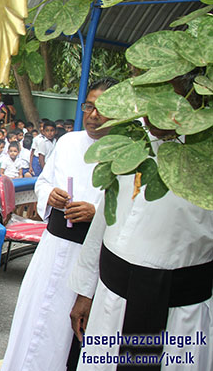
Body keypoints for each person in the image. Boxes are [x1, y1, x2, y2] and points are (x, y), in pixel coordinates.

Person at [69, 76, 213, 370]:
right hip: (112, 305)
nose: (156, 109)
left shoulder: (206, 157)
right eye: (150, 98)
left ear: (193, 100)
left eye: (168, 99)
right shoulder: (128, 146)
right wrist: (85, 291)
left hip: (180, 317)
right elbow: (104, 222)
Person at [0, 78, 116, 371]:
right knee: (38, 320)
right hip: (53, 249)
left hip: (92, 257)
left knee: (72, 336)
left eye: (102, 109)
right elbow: (43, 182)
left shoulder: (124, 155)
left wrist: (96, 212)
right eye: (89, 106)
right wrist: (49, 194)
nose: (93, 115)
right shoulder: (67, 143)